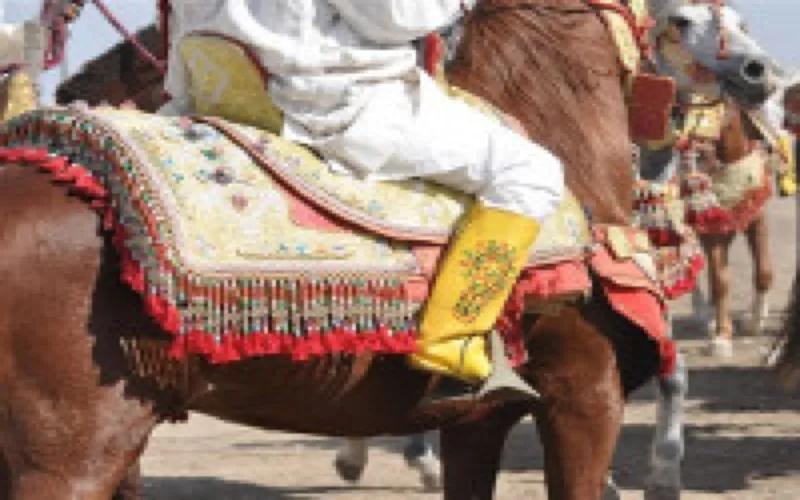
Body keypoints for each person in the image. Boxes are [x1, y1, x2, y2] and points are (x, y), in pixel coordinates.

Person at [160, 0, 565, 402]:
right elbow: (393, 18)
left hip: (217, 100)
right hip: (331, 105)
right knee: (531, 172)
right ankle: (451, 338)